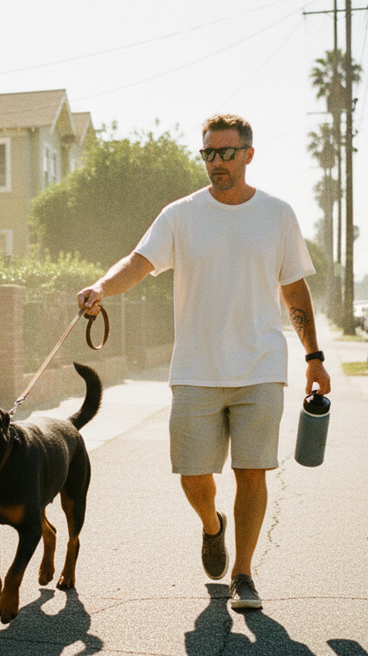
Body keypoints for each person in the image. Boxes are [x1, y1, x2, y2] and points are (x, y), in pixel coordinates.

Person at [77, 114, 331, 610]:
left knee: (252, 471)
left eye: (226, 153)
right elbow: (139, 262)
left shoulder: (278, 215)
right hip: (196, 368)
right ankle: (213, 526)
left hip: (260, 365)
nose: (216, 162)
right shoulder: (181, 215)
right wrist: (102, 288)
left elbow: (294, 287)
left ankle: (243, 573)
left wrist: (313, 357)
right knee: (194, 477)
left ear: (249, 154)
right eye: (209, 154)